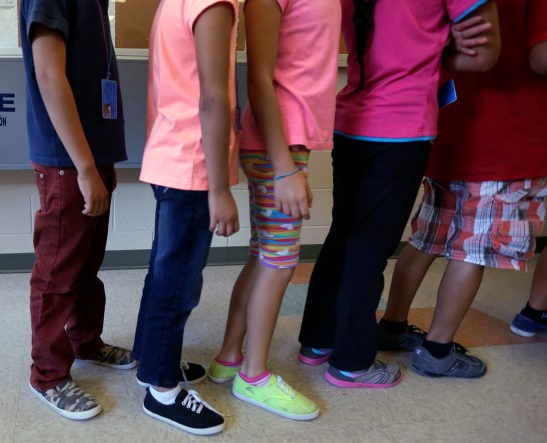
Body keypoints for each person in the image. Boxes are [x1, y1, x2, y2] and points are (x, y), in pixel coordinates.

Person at [297, 0, 500, 388]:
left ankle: (317, 342)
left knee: (343, 236)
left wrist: (423, 47)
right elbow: (484, 56)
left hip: (352, 122)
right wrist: (433, 50)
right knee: (368, 247)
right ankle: (352, 364)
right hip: (402, 130)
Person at [378, 0, 547, 377]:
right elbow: (541, 57)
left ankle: (392, 326)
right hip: (509, 135)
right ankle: (437, 351)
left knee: (426, 238)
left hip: (451, 121)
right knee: (474, 248)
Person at [208, 0, 340, 420]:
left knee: (264, 255)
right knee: (280, 261)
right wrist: (284, 167)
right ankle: (254, 375)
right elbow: (259, 79)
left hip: (289, 141)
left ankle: (229, 358)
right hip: (277, 144)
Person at [20, 0, 138, 420]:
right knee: (57, 273)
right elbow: (49, 74)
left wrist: (97, 163)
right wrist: (85, 169)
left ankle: (86, 341)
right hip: (68, 161)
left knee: (85, 265)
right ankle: (47, 374)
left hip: (92, 156)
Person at [130, 0, 240, 435]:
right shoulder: (213, 3)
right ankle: (162, 389)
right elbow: (213, 96)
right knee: (178, 283)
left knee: (164, 272)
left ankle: (152, 360)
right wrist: (220, 188)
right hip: (193, 165)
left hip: (171, 154)